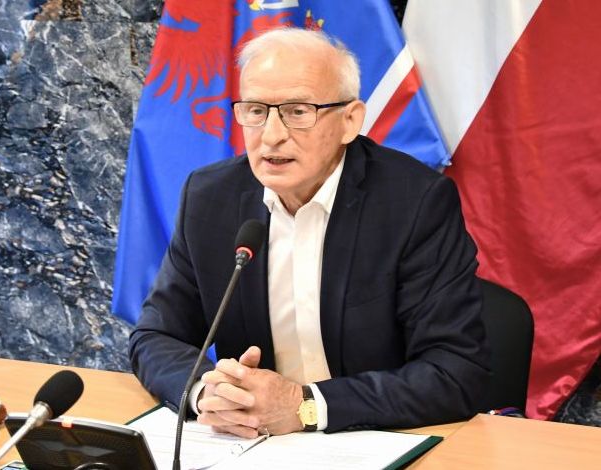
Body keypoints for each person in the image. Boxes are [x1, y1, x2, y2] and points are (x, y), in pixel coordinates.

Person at [129, 27, 490, 437]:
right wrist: (206, 394)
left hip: (376, 440)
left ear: (350, 121)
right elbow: (155, 336)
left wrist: (305, 407)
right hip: (250, 445)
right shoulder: (210, 198)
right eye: (256, 111)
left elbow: (455, 371)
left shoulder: (414, 203)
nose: (271, 135)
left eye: (298, 112)